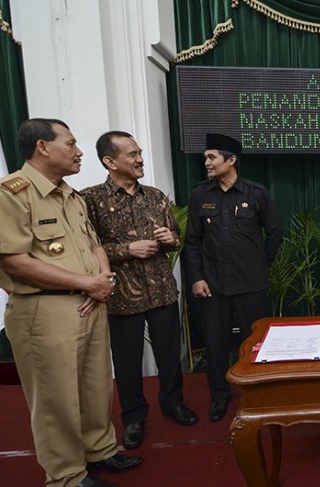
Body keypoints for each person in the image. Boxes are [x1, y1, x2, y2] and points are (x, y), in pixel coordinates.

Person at [0, 119, 141, 487]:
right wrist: (85, 283)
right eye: (71, 143)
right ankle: (68, 475)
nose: (79, 151)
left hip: (90, 302)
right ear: (43, 147)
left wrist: (101, 279)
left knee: (95, 386)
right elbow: (14, 261)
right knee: (56, 400)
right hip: (45, 311)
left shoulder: (71, 195)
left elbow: (93, 244)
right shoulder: (7, 193)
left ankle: (100, 451)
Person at [81, 131, 199, 451]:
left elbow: (176, 238)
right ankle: (133, 418)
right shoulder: (90, 199)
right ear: (110, 161)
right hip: (122, 298)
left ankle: (173, 404)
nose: (140, 159)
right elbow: (87, 248)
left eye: (140, 152)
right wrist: (127, 249)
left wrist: (169, 238)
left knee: (169, 357)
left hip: (161, 292)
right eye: (132, 154)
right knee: (128, 362)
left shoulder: (156, 196)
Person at [184, 133, 282, 422]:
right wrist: (196, 278)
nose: (206, 162)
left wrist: (259, 265)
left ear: (231, 160)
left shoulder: (256, 193)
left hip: (250, 285)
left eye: (212, 157)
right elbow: (192, 241)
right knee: (215, 344)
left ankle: (259, 392)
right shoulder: (200, 194)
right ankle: (219, 397)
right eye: (205, 158)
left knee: (255, 343)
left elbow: (275, 233)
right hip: (213, 286)